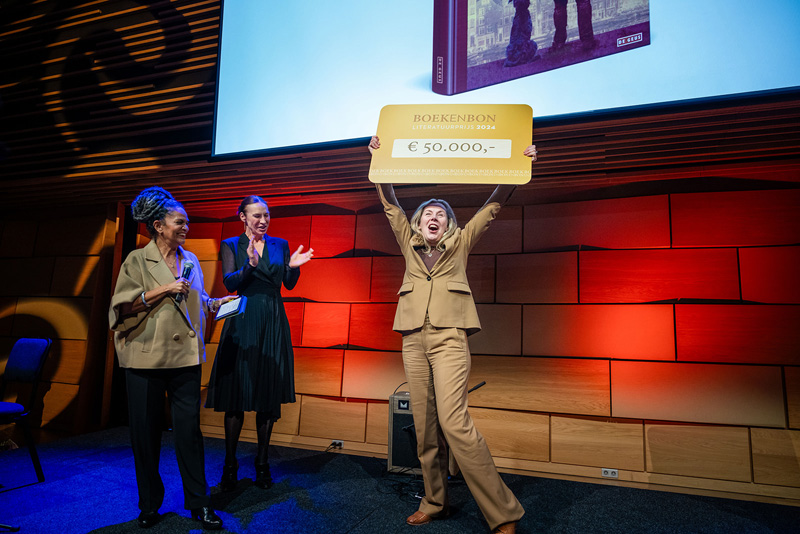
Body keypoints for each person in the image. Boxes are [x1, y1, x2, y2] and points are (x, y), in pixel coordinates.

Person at [368, 137, 538, 534]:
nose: (433, 216)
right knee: (425, 427)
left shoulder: (460, 243)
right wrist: (378, 159)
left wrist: (518, 166)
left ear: (448, 225)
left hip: (449, 339)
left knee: (454, 422)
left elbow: (491, 209)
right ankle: (435, 501)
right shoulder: (408, 245)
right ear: (418, 222)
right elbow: (390, 204)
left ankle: (503, 513)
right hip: (413, 338)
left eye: (440, 215)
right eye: (427, 212)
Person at [109, 186, 234, 530]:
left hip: (185, 360)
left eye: (186, 222)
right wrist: (164, 288)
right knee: (145, 435)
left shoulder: (190, 259)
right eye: (179, 222)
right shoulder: (137, 260)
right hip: (145, 360)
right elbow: (121, 307)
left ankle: (199, 503)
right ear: (158, 225)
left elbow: (194, 295)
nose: (185, 227)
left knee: (189, 434)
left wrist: (213, 304)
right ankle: (149, 505)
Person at [205, 195, 313, 492]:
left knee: (267, 394)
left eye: (266, 215)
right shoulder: (231, 244)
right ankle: (230, 464)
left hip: (273, 320)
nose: (263, 220)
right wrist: (251, 264)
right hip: (243, 319)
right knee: (237, 395)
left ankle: (262, 463)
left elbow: (288, 284)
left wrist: (293, 267)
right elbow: (230, 283)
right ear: (242, 217)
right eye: (256, 216)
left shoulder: (279, 244)